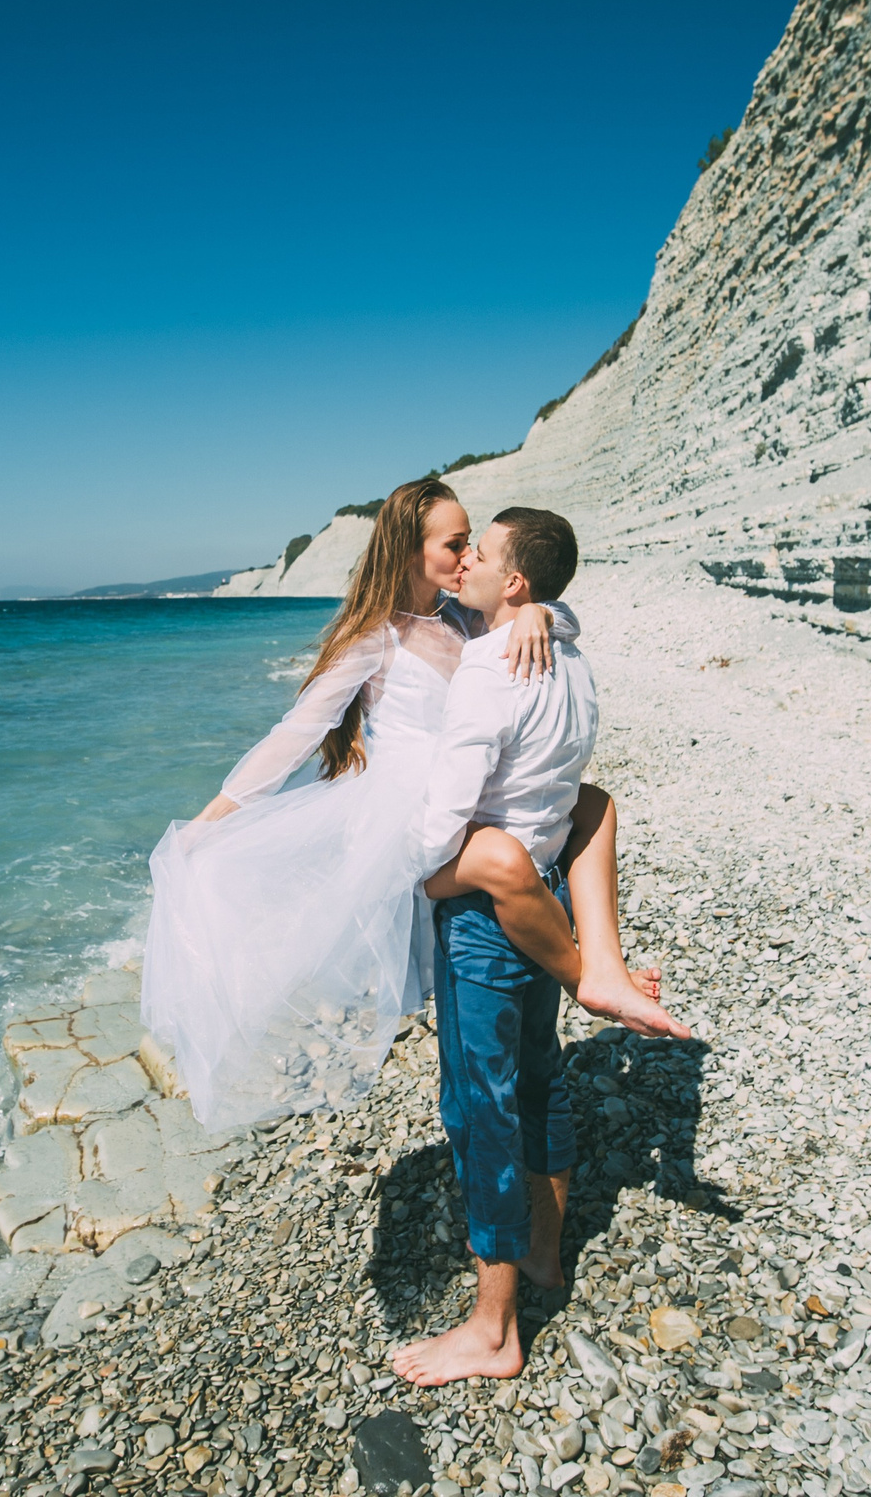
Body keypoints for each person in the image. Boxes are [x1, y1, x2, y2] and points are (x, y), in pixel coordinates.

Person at [141, 477, 580, 1131]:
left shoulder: (464, 615)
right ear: (408, 549)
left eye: (470, 544)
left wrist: (546, 613)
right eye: (454, 543)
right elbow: (296, 734)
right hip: (413, 818)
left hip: (471, 810)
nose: (466, 557)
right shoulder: (375, 636)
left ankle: (555, 1022)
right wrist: (212, 819)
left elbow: (547, 611)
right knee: (464, 993)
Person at [393, 506, 612, 1387]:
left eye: (479, 555)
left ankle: (492, 1331)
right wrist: (540, 612)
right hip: (548, 892)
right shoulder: (570, 653)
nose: (466, 562)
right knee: (539, 1074)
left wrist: (404, 875)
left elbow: (447, 818)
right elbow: (562, 613)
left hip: (489, 915)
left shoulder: (490, 670)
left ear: (512, 581)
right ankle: (548, 1255)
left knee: (479, 1108)